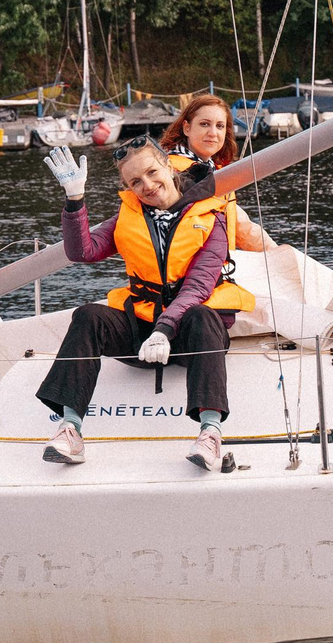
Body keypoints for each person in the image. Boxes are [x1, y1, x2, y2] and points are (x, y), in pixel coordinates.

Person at [35, 138, 255, 471]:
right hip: (143, 331)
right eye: (135, 182)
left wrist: (165, 331)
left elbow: (198, 286)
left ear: (168, 166)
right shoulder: (128, 216)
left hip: (189, 335)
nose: (147, 186)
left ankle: (210, 432)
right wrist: (74, 200)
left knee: (201, 315)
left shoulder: (213, 216)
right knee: (88, 316)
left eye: (152, 173)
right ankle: (70, 429)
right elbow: (82, 252)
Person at [158, 93, 269, 251]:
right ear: (187, 128)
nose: (213, 133)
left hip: (218, 272)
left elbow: (241, 226)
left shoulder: (216, 173)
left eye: (220, 126)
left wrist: (277, 253)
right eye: (204, 124)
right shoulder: (167, 171)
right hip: (188, 274)